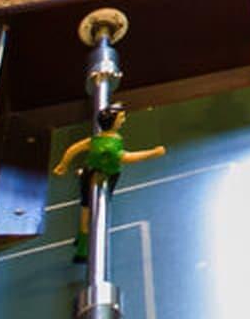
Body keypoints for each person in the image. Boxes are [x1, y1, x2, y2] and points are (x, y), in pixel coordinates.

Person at [51, 102, 165, 263]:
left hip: (93, 172)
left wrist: (64, 164)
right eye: (121, 118)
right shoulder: (110, 146)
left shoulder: (98, 139)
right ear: (113, 122)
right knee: (89, 213)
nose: (124, 120)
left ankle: (82, 240)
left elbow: (74, 148)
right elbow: (127, 158)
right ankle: (82, 249)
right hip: (102, 177)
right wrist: (153, 153)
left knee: (86, 211)